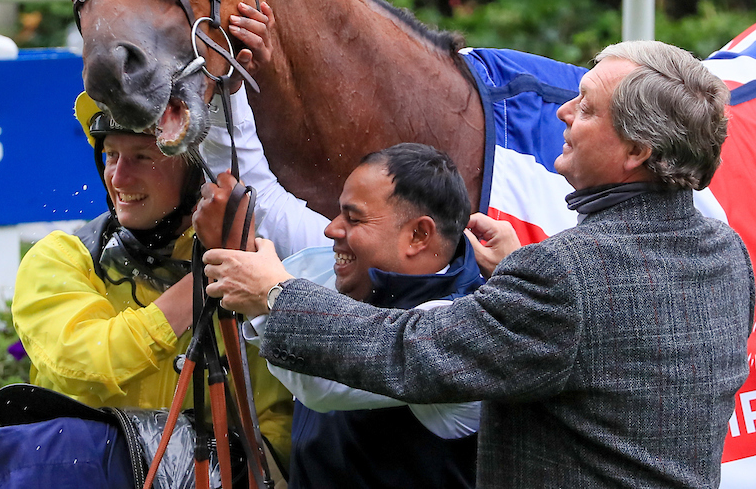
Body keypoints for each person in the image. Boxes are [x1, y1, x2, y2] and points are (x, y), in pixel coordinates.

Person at [203, 40, 754, 489]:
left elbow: (411, 352)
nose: (561, 111)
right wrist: (523, 271)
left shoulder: (567, 279)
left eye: (585, 107)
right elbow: (618, 348)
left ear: (636, 152)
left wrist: (276, 295)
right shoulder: (727, 254)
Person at [197, 143, 485, 488]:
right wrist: (226, 95)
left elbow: (321, 384)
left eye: (354, 217)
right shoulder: (348, 267)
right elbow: (260, 196)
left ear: (418, 235)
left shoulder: (464, 329)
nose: (330, 229)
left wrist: (265, 295)